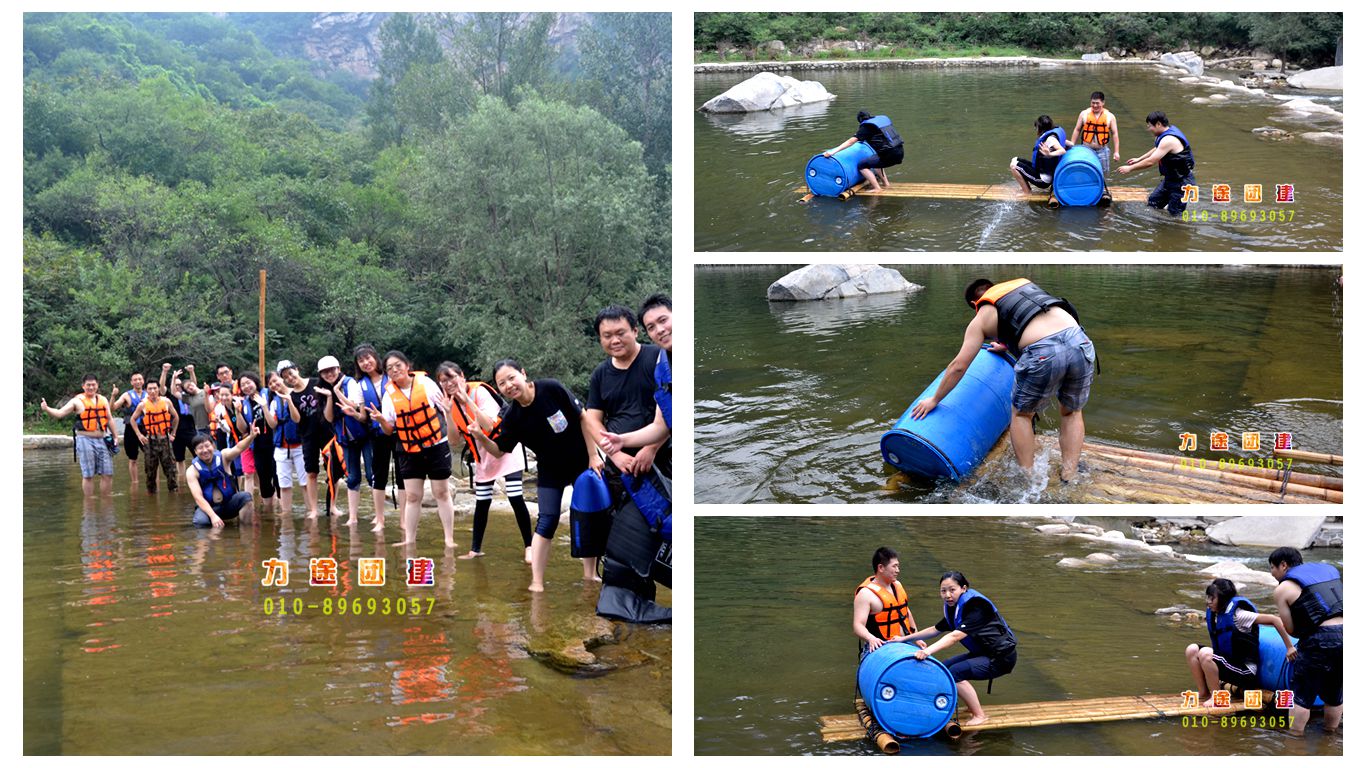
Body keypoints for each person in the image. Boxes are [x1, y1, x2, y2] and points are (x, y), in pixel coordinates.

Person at [911, 279, 1096, 482]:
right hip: (1080, 341)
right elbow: (1033, 319)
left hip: (1043, 353)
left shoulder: (980, 318)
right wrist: (1008, 343)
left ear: (976, 304)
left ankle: (1029, 479)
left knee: (1022, 415)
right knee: (1071, 411)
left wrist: (934, 399)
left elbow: (959, 366)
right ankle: (1069, 474)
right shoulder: (1022, 285)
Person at [472, 359, 600, 592]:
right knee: (547, 520)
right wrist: (480, 437)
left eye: (512, 378)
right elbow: (499, 450)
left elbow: (583, 417)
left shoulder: (551, 388)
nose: (509, 385)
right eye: (502, 383)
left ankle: (590, 575)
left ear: (523, 373)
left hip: (581, 460)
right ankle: (537, 582)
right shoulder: (512, 416)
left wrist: (594, 455)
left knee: (587, 516)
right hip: (550, 469)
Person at [435, 362, 534, 562]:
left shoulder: (479, 392)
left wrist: (467, 402)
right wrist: (447, 412)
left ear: (462, 376)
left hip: (505, 447)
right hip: (483, 455)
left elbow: (489, 425)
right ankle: (475, 549)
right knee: (482, 502)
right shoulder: (450, 403)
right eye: (443, 381)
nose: (448, 383)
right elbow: (454, 441)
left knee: (515, 497)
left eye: (452, 377)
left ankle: (530, 547)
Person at [366, 351, 457, 548]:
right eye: (390, 368)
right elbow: (389, 429)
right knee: (413, 496)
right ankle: (409, 540)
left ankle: (449, 539)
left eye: (398, 365)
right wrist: (381, 420)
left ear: (408, 365)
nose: (394, 370)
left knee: (441, 492)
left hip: (436, 445)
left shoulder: (426, 384)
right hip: (409, 449)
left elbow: (444, 408)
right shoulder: (389, 395)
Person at [903, 571, 1018, 727]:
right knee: (944, 668)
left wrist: (927, 651)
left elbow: (954, 637)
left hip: (1001, 658)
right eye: (943, 591)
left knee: (954, 673)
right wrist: (905, 638)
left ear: (963, 588)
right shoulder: (954, 608)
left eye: (952, 590)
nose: (947, 595)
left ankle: (979, 715)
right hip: (983, 654)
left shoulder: (977, 606)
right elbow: (935, 629)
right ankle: (971, 708)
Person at [582, 306, 670, 479]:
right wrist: (614, 455)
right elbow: (592, 420)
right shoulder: (600, 374)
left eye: (620, 333)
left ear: (635, 331)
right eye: (607, 336)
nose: (615, 340)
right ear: (600, 339)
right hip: (621, 465)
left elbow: (671, 412)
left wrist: (651, 449)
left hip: (663, 457)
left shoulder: (659, 359)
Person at [1185, 578, 1295, 708]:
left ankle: (1217, 698)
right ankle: (1204, 692)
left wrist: (1289, 647)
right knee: (1191, 649)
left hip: (1245, 672)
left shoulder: (1239, 615)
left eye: (1212, 598)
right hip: (1229, 664)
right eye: (1207, 597)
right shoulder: (1216, 614)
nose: (1208, 602)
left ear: (1223, 598)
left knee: (1205, 654)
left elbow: (1274, 620)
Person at [1269, 547, 1343, 735]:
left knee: (1302, 695)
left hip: (1320, 639)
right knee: (1335, 692)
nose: (1272, 573)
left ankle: (1295, 739)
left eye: (1272, 568)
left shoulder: (1283, 589)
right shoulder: (1328, 572)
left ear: (1283, 565)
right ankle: (1330, 735)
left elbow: (1291, 629)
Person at [344, 343, 396, 534]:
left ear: (375, 357)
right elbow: (363, 417)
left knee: (403, 475)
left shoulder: (391, 376)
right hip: (377, 434)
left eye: (368, 358)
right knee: (378, 475)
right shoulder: (359, 385)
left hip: (399, 432)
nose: (366, 362)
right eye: (361, 360)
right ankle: (379, 519)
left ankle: (404, 520)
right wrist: (353, 413)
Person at [40, 374, 116, 496]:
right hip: (85, 439)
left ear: (97, 385)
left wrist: (115, 436)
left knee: (107, 473)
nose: (91, 387)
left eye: (93, 385)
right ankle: (89, 503)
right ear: (83, 386)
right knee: (88, 474)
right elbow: (60, 413)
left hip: (102, 439)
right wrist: (47, 408)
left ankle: (106, 502)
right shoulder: (77, 401)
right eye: (88, 385)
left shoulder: (103, 400)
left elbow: (109, 418)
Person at [318, 354, 369, 525]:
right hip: (345, 439)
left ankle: (379, 516)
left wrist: (338, 392)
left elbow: (354, 405)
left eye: (331, 370)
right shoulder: (324, 390)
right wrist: (331, 396)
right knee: (353, 476)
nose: (329, 374)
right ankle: (353, 518)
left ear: (338, 369)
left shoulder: (350, 383)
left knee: (371, 474)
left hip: (363, 434)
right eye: (325, 372)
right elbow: (330, 418)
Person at [1117, 111, 1195, 216]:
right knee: (1153, 203)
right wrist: (1139, 159)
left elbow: (1151, 162)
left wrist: (1130, 168)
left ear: (1158, 124)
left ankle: (1179, 230)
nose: (1149, 129)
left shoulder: (1169, 139)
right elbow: (1158, 148)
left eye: (1150, 126)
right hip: (1170, 179)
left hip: (1181, 182)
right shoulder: (1162, 135)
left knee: (1175, 215)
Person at [853, 546, 921, 657]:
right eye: (894, 566)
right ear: (881, 568)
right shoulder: (866, 594)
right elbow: (858, 625)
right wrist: (871, 639)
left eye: (898, 566)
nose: (898, 570)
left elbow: (905, 612)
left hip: (903, 642)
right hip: (880, 646)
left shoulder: (897, 585)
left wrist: (917, 637)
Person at [280, 360, 324, 518]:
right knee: (311, 472)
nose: (290, 378)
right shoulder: (291, 395)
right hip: (307, 435)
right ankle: (313, 509)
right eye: (286, 377)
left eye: (291, 373)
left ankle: (331, 506)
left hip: (326, 432)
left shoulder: (316, 382)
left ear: (297, 370)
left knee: (333, 469)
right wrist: (290, 401)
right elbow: (297, 419)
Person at [187, 429, 258, 528]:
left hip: (229, 504)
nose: (205, 450)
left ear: (213, 446)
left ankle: (246, 530)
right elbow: (198, 497)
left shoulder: (224, 456)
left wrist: (251, 437)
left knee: (246, 497)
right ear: (195, 451)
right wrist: (213, 516)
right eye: (200, 448)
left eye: (207, 446)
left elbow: (238, 448)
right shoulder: (192, 471)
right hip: (209, 508)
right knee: (200, 522)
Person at [821, 110, 905, 193]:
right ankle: (886, 184)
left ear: (860, 120)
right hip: (900, 152)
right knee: (875, 160)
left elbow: (851, 141)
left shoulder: (866, 127)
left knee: (861, 165)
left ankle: (877, 188)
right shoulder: (878, 123)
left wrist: (832, 152)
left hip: (890, 155)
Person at [235, 372, 278, 514]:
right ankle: (269, 512)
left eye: (249, 382)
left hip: (274, 442)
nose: (246, 386)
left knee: (277, 477)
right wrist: (238, 412)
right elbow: (243, 429)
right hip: (258, 446)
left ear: (255, 381)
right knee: (264, 480)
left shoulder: (269, 393)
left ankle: (281, 510)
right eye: (243, 385)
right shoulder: (244, 403)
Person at [264, 366, 305, 515]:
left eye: (275, 381)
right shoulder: (274, 402)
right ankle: (286, 514)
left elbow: (298, 419)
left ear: (282, 378)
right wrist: (264, 407)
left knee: (305, 482)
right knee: (284, 484)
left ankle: (309, 511)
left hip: (300, 445)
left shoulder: (296, 394)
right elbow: (273, 424)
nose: (274, 385)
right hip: (281, 446)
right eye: (270, 384)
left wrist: (290, 400)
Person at [129, 381, 180, 493]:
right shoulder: (142, 404)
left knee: (171, 470)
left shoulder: (166, 401)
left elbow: (176, 417)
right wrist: (139, 435)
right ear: (146, 390)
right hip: (150, 442)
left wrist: (173, 433)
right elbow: (132, 419)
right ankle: (152, 497)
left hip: (165, 440)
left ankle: (174, 493)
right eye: (150, 389)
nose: (153, 391)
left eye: (155, 388)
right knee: (150, 472)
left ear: (158, 389)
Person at [1009, 115, 1070, 195]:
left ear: (1040, 128)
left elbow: (1062, 151)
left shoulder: (1050, 139)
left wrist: (1050, 154)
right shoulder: (1053, 135)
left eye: (1036, 127)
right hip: (1042, 172)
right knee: (1015, 159)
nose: (1035, 129)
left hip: (1042, 180)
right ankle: (1026, 188)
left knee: (1013, 166)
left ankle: (1026, 192)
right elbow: (1070, 144)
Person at [160, 364, 199, 478]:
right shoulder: (170, 397)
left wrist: (192, 372)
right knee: (179, 459)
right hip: (176, 431)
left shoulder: (187, 396)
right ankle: (182, 480)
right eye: (175, 385)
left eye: (179, 385)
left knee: (197, 454)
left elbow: (194, 385)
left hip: (190, 429)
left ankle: (198, 475)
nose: (177, 387)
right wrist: (165, 372)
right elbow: (162, 387)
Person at [1070, 91, 1120, 175]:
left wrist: (1116, 152)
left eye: (1097, 103)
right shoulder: (1084, 114)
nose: (1095, 105)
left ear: (1103, 102)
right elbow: (1077, 130)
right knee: (1085, 171)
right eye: (1093, 103)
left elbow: (1115, 134)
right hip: (1086, 149)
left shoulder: (1110, 117)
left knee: (1103, 173)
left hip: (1102, 150)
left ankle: (1102, 187)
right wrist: (1072, 145)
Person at [110, 372, 147, 482]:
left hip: (146, 428)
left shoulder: (149, 394)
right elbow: (112, 408)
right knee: (132, 458)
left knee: (151, 456)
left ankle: (153, 480)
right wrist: (113, 396)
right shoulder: (127, 395)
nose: (138, 381)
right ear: (131, 382)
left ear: (143, 381)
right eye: (135, 379)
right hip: (131, 429)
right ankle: (134, 482)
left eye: (140, 379)